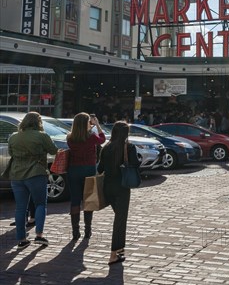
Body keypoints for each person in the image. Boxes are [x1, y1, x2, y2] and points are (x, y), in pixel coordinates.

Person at [7, 111, 58, 249]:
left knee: (20, 208)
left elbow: (11, 153)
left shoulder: (14, 137)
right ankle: (39, 236)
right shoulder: (42, 136)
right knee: (40, 204)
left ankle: (22, 240)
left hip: (17, 175)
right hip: (36, 173)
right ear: (38, 122)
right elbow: (53, 150)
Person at [97, 121, 140, 265]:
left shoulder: (106, 148)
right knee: (120, 221)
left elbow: (100, 168)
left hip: (107, 188)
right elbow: (135, 163)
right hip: (122, 187)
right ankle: (113, 254)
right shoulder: (129, 147)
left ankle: (120, 249)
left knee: (119, 219)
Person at [67, 112, 106, 240]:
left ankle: (75, 231)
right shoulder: (91, 136)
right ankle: (87, 230)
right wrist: (97, 124)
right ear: (86, 123)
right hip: (89, 170)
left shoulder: (70, 137)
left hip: (73, 170)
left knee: (75, 200)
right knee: (88, 200)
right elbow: (103, 139)